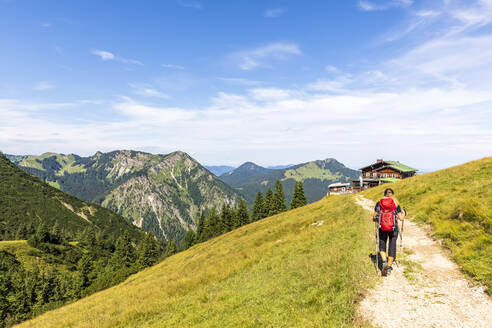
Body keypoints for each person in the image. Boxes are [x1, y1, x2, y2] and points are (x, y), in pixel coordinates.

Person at [373, 188, 405, 276]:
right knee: (392, 245)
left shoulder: (379, 203)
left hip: (382, 227)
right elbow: (401, 218)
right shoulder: (396, 203)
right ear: (393, 194)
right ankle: (389, 266)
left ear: (384, 194)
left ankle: (384, 262)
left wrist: (378, 220)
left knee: (382, 244)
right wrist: (404, 213)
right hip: (393, 228)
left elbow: (374, 217)